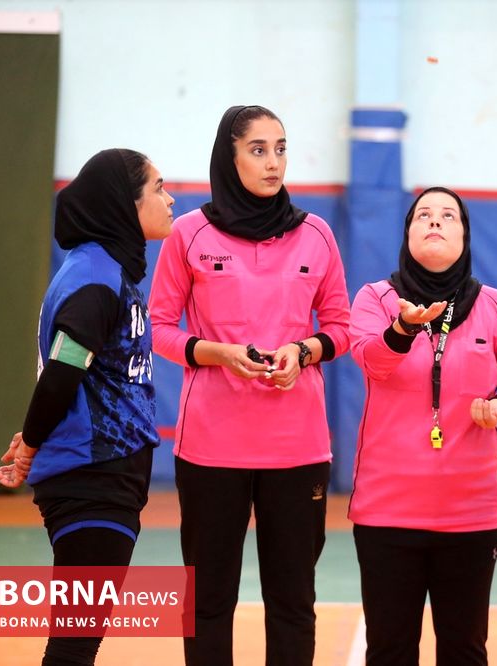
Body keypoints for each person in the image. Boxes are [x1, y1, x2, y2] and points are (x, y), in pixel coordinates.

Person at [148, 105, 351, 666]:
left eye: (280, 149)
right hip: (211, 448)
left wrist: (302, 352)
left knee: (293, 603)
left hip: (298, 449)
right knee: (208, 602)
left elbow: (341, 328)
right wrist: (218, 354)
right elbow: (158, 328)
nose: (273, 162)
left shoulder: (317, 234)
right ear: (229, 156)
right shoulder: (188, 233)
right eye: (258, 150)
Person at [0, 148, 174, 665]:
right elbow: (64, 371)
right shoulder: (95, 279)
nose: (170, 198)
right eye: (158, 188)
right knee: (74, 643)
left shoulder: (104, 270)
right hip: (93, 479)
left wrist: (38, 434)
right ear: (125, 203)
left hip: (102, 476)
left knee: (77, 640)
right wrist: (32, 443)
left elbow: (70, 374)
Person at [348, 186, 497, 665]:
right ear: (408, 232)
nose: (435, 222)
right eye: (424, 215)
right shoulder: (376, 299)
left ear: (465, 235)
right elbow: (371, 362)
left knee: (464, 651)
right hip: (386, 510)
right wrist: (403, 329)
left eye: (448, 215)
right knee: (389, 651)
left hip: (471, 511)